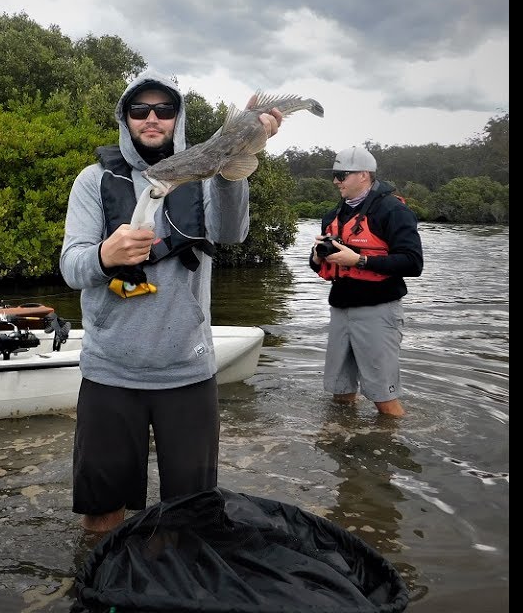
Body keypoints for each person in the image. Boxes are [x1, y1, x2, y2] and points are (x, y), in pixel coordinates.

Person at [59, 69, 283, 533]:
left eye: (165, 109)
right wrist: (105, 255)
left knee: (192, 511)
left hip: (188, 370)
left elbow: (232, 233)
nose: (152, 118)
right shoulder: (92, 180)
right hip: (110, 371)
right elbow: (71, 267)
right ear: (125, 118)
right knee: (102, 511)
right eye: (140, 110)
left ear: (178, 118)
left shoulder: (204, 174)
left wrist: (240, 153)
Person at [309, 147, 423, 417]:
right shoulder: (333, 215)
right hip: (340, 311)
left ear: (363, 175)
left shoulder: (393, 211)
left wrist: (359, 261)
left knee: (384, 399)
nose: (336, 181)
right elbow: (318, 265)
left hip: (378, 311)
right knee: (340, 394)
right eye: (334, 176)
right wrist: (315, 257)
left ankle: (393, 447)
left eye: (341, 175)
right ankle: (345, 443)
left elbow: (413, 263)